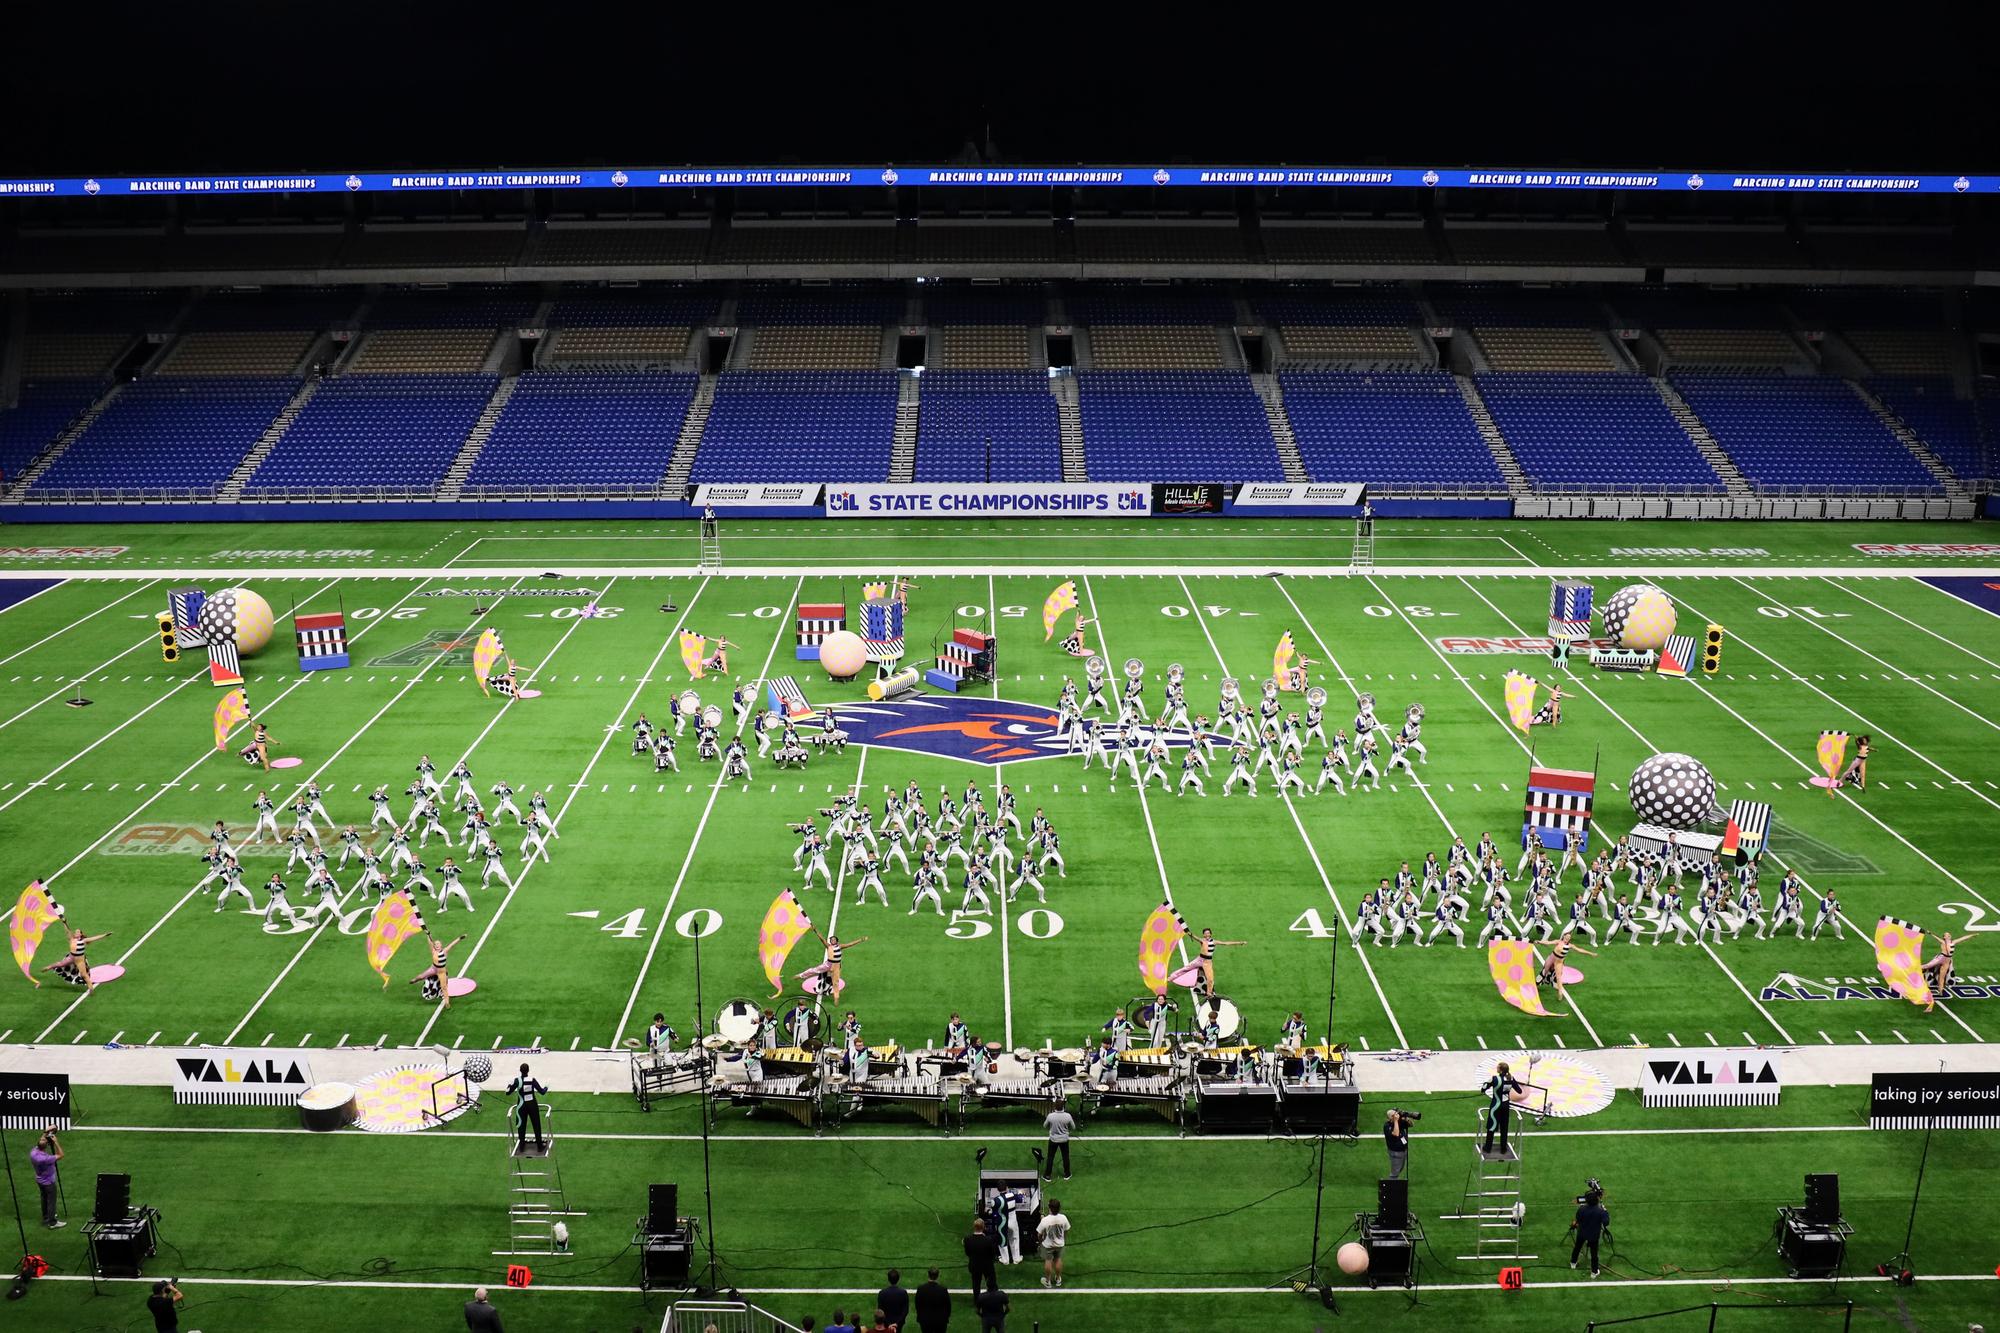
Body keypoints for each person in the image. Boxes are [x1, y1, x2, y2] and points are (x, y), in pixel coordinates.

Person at [1481, 1061, 1525, 1156]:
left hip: (1496, 1105)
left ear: (1500, 1070)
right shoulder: (1511, 1078)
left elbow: (1484, 1087)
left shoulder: (1495, 1078)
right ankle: (1503, 1149)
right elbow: (1519, 1090)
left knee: (1492, 1126)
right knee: (1504, 1128)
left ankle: (1488, 1147)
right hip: (1505, 1106)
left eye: (1498, 1067)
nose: (1496, 1068)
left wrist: (1483, 1090)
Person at [1569, 1187, 1612, 1277]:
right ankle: (1594, 1272)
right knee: (1594, 1254)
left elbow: (1578, 1219)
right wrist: (1605, 1211)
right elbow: (1606, 1222)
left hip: (1582, 1233)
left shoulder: (1581, 1209)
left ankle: (1573, 1263)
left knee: (1577, 1247)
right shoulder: (1600, 1211)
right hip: (1593, 1235)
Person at [509, 1063, 548, 1152]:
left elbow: (508, 1092)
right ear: (528, 1070)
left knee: (521, 1126)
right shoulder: (532, 1080)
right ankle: (539, 1146)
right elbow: (542, 1092)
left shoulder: (517, 1080)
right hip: (532, 1105)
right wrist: (546, 1087)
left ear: (520, 1070)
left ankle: (522, 1146)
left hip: (521, 1106)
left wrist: (509, 1085)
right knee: (536, 1125)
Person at [30, 1128, 63, 1227]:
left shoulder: (33, 1152)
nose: (43, 1139)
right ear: (46, 1147)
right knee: (51, 1202)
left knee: (44, 1199)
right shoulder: (46, 1159)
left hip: (40, 1181)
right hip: (49, 1182)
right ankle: (52, 1222)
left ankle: (46, 1217)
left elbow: (41, 1140)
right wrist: (56, 1142)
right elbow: (61, 1155)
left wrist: (46, 1132)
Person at [1037, 1198, 1070, 1288]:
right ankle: (1058, 1279)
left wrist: (1040, 1242)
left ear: (1050, 1208)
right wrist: (1063, 1239)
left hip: (1048, 1245)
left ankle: (1048, 1281)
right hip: (1060, 1244)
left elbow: (1039, 1234)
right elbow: (1066, 1230)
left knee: (1048, 1261)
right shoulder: (1063, 1218)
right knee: (1058, 1259)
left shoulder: (1045, 1220)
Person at [964, 1217, 1000, 1297]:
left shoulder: (967, 1240)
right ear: (983, 1227)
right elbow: (992, 1254)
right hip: (987, 1265)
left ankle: (977, 1302)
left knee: (976, 1283)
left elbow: (967, 1253)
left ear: (974, 1227)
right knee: (992, 1282)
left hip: (974, 1265)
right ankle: (994, 1298)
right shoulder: (988, 1240)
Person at [1042, 1098, 1075, 1181]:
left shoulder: (1050, 1116)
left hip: (1053, 1140)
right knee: (1065, 1157)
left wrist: (1052, 1128)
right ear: (1063, 1106)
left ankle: (1047, 1175)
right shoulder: (1068, 1116)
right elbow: (1073, 1127)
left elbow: (1044, 1126)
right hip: (1064, 1140)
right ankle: (1067, 1174)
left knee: (1050, 1157)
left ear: (1055, 1106)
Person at [913, 1267, 951, 1333]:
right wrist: (945, 1318)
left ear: (928, 1275)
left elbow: (917, 1305)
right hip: (940, 1321)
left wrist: (921, 1317)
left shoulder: (921, 1289)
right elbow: (948, 1306)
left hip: (925, 1321)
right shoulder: (943, 1290)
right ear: (937, 1276)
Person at [1384, 1108, 1411, 1181]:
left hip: (1403, 1150)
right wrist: (1396, 1121)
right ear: (1391, 1117)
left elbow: (1411, 1124)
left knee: (1400, 1168)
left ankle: (1394, 1184)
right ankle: (1391, 1188)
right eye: (1395, 1115)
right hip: (1396, 1152)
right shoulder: (1387, 1126)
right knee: (1394, 1174)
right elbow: (1396, 1134)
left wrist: (1406, 1118)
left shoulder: (1399, 1122)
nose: (1397, 1115)